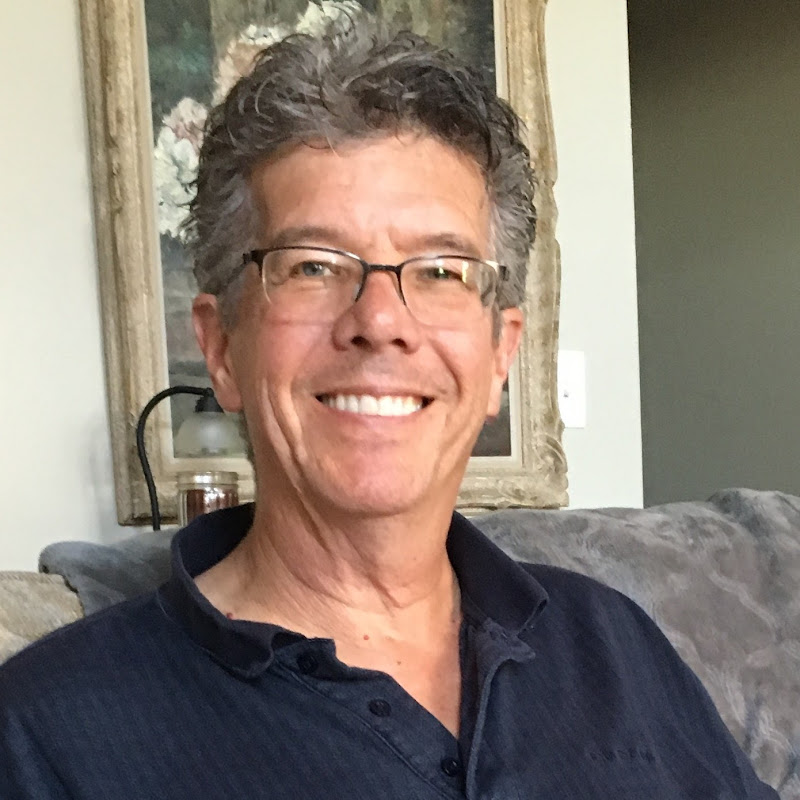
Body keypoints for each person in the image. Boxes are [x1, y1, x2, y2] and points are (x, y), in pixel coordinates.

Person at [0, 17, 780, 800]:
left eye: (440, 270)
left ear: (500, 353)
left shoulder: (613, 640)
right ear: (222, 347)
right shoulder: (46, 731)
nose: (380, 320)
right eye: (313, 265)